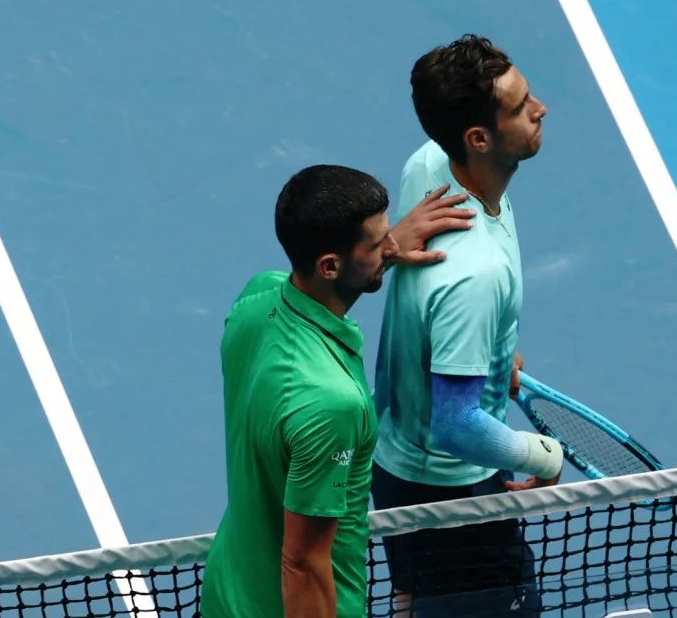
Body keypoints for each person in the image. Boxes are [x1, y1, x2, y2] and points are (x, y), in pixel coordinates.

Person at [200, 164, 477, 618]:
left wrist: (381, 252)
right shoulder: (331, 404)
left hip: (228, 599)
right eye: (377, 243)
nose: (393, 244)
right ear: (330, 265)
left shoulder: (256, 301)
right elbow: (303, 563)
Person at [370, 35, 562, 616]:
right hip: (450, 489)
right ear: (478, 139)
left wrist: (491, 353)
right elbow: (457, 426)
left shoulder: (430, 166)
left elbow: (438, 314)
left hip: (394, 459)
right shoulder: (475, 277)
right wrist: (541, 456)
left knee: (412, 597)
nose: (541, 108)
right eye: (520, 104)